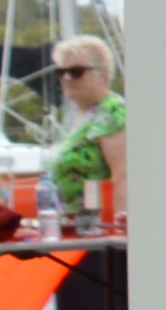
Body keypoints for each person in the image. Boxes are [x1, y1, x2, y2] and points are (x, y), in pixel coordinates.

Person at [39, 34, 128, 231]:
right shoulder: (81, 116)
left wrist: (119, 233)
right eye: (61, 72)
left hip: (98, 231)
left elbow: (123, 177)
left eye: (76, 72)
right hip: (74, 227)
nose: (67, 78)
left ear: (103, 74)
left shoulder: (113, 111)